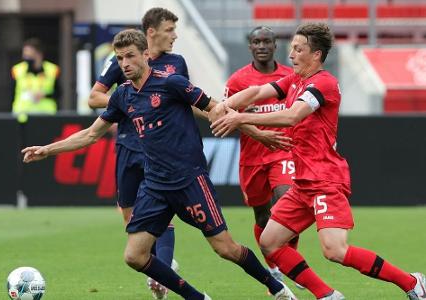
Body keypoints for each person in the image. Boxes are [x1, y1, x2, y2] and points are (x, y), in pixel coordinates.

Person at [22, 28, 297, 300]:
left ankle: (276, 288)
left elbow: (215, 107)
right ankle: (196, 297)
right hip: (155, 185)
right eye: (119, 59)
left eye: (130, 56)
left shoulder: (172, 83)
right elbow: (91, 134)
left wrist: (254, 130)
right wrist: (48, 149)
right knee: (134, 256)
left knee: (226, 249)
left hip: (190, 180)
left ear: (145, 54)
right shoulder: (122, 96)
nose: (125, 64)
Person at [209, 22, 426, 300]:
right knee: (270, 242)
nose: (291, 55)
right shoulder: (295, 80)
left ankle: (411, 282)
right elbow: (256, 92)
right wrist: (225, 105)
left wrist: (241, 117)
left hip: (325, 180)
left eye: (299, 49)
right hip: (302, 183)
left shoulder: (324, 83)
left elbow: (292, 116)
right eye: (292, 49)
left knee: (334, 251)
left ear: (316, 55)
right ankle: (326, 295)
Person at [88, 8, 189, 298]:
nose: (174, 35)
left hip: (158, 150)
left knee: (162, 212)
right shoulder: (122, 59)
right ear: (152, 32)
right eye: (170, 29)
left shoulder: (176, 63)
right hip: (127, 146)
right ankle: (159, 265)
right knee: (131, 220)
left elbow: (182, 100)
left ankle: (164, 274)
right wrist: (129, 102)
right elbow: (93, 96)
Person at [225, 26, 300, 283]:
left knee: (287, 202)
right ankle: (275, 266)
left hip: (283, 152)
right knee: (262, 216)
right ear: (250, 46)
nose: (262, 46)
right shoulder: (237, 81)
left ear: (275, 44)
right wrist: (257, 132)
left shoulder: (291, 76)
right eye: (256, 42)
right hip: (253, 156)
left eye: (266, 41)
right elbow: (226, 114)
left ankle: (292, 264)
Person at [11, 38, 60, 123]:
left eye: (29, 55)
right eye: (25, 55)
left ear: (39, 55)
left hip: (46, 115)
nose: (26, 58)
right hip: (22, 117)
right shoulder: (17, 70)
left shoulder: (52, 70)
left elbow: (58, 92)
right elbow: (11, 93)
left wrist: (44, 95)